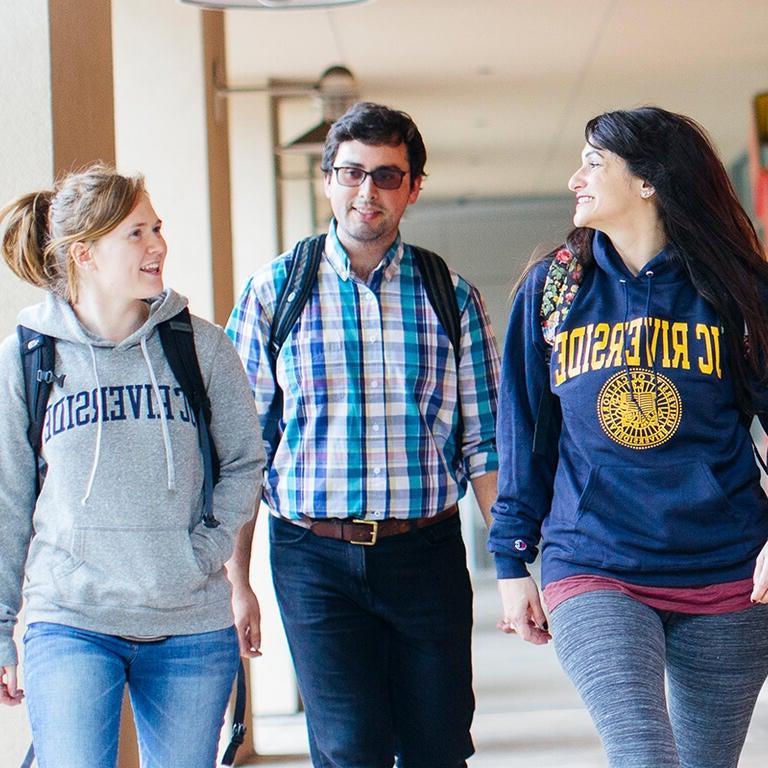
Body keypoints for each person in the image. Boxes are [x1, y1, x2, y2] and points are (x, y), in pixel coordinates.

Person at [489, 105, 768, 768]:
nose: (573, 179)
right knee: (643, 753)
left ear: (648, 181)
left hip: (727, 571)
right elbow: (524, 432)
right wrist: (510, 561)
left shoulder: (737, 291)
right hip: (596, 562)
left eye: (592, 162)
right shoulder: (554, 288)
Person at [226, 101, 500, 768]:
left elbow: (486, 447)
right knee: (351, 748)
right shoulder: (273, 293)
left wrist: (519, 566)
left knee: (438, 745)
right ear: (327, 179)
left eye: (386, 175)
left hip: (425, 552)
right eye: (351, 173)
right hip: (313, 556)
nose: (367, 191)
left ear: (412, 187)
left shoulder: (451, 297)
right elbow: (241, 452)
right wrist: (237, 582)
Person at [0, 164, 265, 768]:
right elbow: (8, 498)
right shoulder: (27, 358)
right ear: (85, 254)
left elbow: (246, 461)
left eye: (157, 228)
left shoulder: (202, 348)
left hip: (189, 624)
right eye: (136, 233)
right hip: (70, 618)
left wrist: (205, 549)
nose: (158, 246)